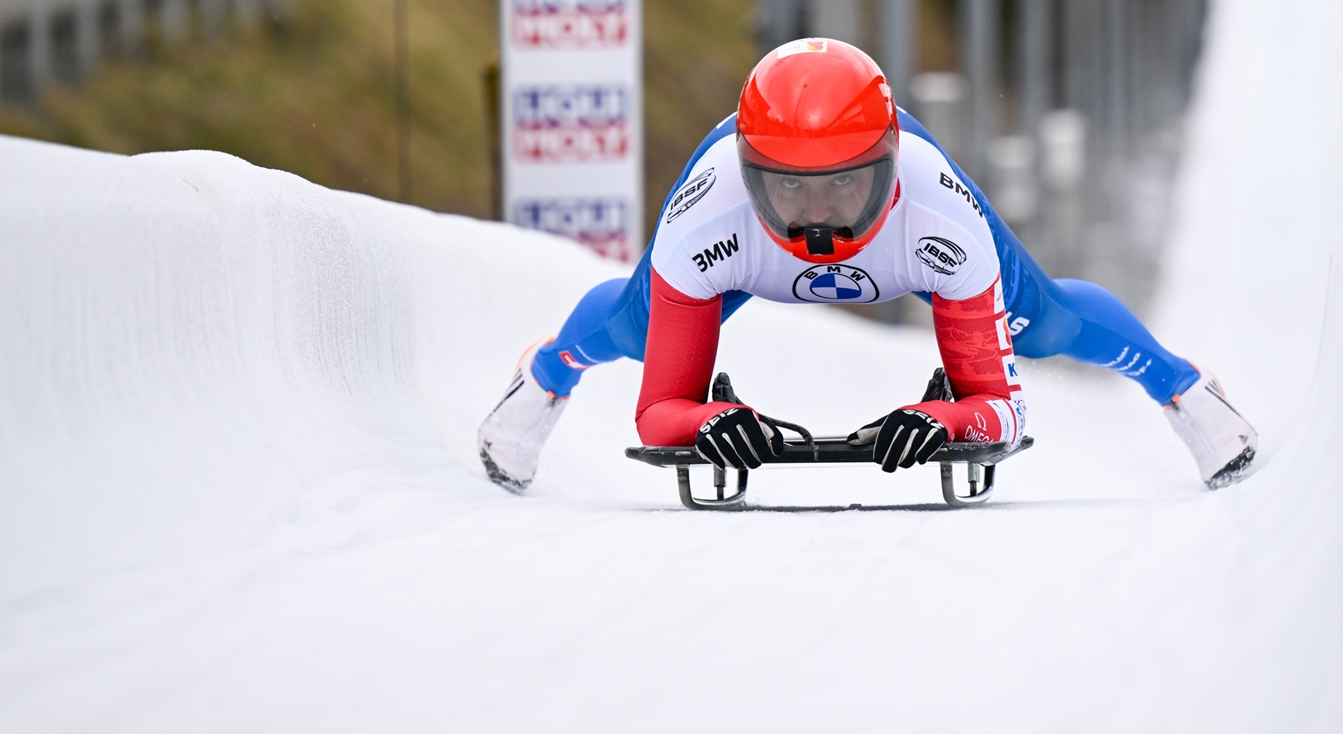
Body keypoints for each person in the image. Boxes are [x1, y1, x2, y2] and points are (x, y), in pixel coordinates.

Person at [477, 39, 1257, 493]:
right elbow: (658, 411)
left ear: (889, 165)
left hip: (892, 235)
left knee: (1043, 321)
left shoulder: (941, 214)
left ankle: (1181, 386)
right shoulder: (707, 213)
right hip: (747, 238)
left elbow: (1003, 407)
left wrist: (947, 418)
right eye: (790, 190)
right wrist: (712, 420)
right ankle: (546, 373)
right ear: (749, 174)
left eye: (844, 185)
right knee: (634, 331)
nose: (818, 218)